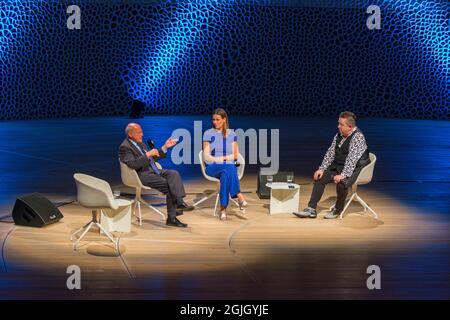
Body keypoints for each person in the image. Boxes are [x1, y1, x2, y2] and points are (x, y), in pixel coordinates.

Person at [293, 111, 370, 219]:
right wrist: (322, 169)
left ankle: (337, 209)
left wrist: (343, 175)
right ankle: (311, 209)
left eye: (341, 124)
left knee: (342, 182)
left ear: (350, 126)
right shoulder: (339, 135)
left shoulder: (358, 137)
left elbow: (352, 159)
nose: (338, 126)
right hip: (341, 165)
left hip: (357, 169)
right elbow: (330, 153)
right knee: (320, 177)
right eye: (338, 123)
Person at [119, 123, 193, 228]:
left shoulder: (140, 144)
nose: (142, 134)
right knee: (169, 185)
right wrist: (148, 154)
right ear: (130, 134)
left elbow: (152, 158)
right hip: (141, 175)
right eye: (139, 132)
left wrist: (164, 147)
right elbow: (132, 164)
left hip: (153, 170)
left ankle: (179, 203)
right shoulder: (125, 147)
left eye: (142, 131)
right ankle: (173, 216)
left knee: (174, 174)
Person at [203, 108, 247, 220]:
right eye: (213, 119)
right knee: (229, 165)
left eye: (218, 119)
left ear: (224, 120)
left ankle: (223, 209)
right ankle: (238, 195)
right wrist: (223, 159)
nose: (215, 122)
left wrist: (222, 159)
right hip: (212, 167)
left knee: (225, 174)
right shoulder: (208, 133)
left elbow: (236, 156)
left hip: (226, 167)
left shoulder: (232, 134)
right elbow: (206, 156)